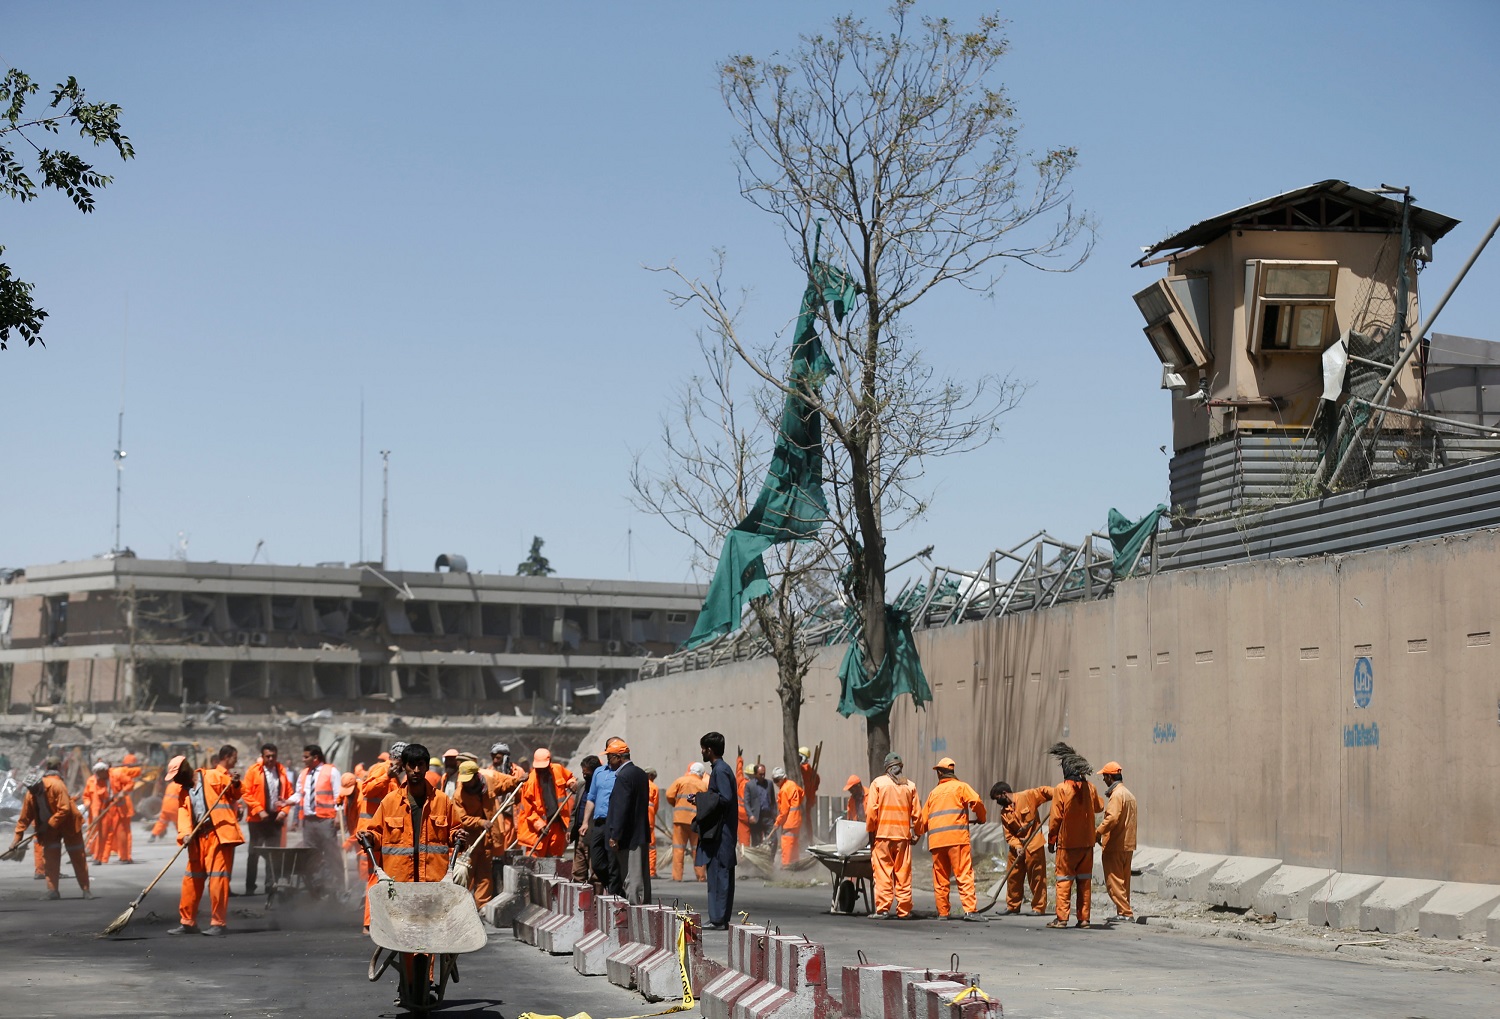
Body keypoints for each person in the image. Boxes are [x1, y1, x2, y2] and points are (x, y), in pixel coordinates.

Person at [360, 742, 465, 885]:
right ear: (404, 767)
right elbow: (377, 834)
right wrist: (369, 837)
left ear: (427, 767)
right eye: (411, 765)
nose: (416, 770)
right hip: (398, 882)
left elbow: (454, 831)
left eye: (421, 765)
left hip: (433, 881)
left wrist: (458, 836)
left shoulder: (442, 801)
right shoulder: (390, 802)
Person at [172, 746, 244, 936]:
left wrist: (236, 783)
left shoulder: (213, 776)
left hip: (218, 834)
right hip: (197, 839)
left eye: (176, 776)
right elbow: (183, 814)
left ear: (185, 771)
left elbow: (235, 793)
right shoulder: (183, 792)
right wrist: (185, 834)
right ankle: (187, 922)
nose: (175, 781)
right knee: (191, 879)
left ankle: (218, 923)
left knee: (217, 880)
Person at [8, 760, 92, 900]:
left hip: (69, 824)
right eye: (30, 790)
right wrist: (16, 839)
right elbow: (24, 818)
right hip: (50, 829)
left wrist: (49, 823)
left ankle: (85, 889)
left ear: (40, 783)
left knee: (77, 857)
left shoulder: (56, 786)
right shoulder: (31, 794)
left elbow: (64, 809)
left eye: (34, 789)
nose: (33, 792)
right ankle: (53, 890)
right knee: (50, 858)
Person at [1046, 742, 1104, 929]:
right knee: (1084, 881)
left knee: (1064, 881)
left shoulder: (1061, 789)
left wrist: (1051, 840)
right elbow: (1099, 807)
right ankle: (1084, 919)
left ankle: (1062, 919)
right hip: (1087, 844)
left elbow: (1055, 819)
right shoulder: (1091, 788)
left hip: (1067, 844)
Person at [922, 757, 987, 921]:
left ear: (939, 773)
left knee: (941, 878)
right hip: (957, 839)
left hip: (937, 842)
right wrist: (981, 818)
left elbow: (922, 821)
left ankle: (943, 912)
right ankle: (970, 910)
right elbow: (976, 801)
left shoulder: (933, 794)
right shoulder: (961, 787)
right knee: (963, 874)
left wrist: (917, 833)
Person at [865, 752, 920, 919]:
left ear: (887, 768)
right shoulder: (909, 786)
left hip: (882, 836)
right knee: (903, 874)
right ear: (900, 767)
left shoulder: (878, 783)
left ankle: (882, 909)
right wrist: (917, 832)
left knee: (883, 874)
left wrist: (871, 831)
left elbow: (871, 812)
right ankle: (904, 910)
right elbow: (917, 813)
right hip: (903, 838)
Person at [990, 780, 1053, 915]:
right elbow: (1009, 836)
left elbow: (1043, 791)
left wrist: (1059, 795)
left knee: (1037, 878)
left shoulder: (1027, 796)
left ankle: (1038, 907)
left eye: (998, 799)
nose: (998, 803)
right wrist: (1017, 846)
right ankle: (1013, 906)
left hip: (1034, 845)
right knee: (1013, 877)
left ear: (1004, 793)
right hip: (1016, 848)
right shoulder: (1004, 813)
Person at [695, 731, 737, 928]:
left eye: (703, 748)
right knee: (720, 874)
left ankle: (718, 918)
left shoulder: (720, 771)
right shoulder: (722, 769)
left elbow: (725, 798)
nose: (702, 752)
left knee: (719, 875)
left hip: (721, 833)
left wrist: (701, 799)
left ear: (709, 750)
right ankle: (719, 917)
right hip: (723, 831)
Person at [604, 737, 652, 904]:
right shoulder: (639, 773)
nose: (608, 761)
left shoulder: (624, 776)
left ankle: (636, 914)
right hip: (641, 833)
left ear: (618, 757)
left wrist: (615, 835)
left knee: (632, 879)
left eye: (609, 757)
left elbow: (621, 808)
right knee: (642, 877)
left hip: (629, 838)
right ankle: (645, 910)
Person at [242, 742, 293, 896]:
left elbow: (289, 794)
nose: (271, 759)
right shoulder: (253, 771)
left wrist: (284, 811)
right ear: (262, 756)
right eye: (267, 756)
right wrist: (259, 810)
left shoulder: (281, 771)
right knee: (254, 853)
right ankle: (250, 886)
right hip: (257, 819)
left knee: (273, 854)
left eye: (273, 756)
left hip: (275, 818)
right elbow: (246, 793)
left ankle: (270, 885)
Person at [295, 744, 345, 899]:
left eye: (306, 757)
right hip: (309, 822)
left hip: (325, 820)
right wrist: (286, 802)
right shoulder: (304, 774)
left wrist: (338, 816)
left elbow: (339, 795)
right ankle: (316, 887)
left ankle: (337, 885)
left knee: (331, 853)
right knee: (311, 855)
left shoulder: (331, 772)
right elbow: (298, 794)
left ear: (315, 758)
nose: (303, 760)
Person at [1095, 762, 1137, 921]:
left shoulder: (1117, 795)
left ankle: (1126, 913)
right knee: (1123, 882)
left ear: (1109, 776)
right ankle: (1123, 912)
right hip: (1127, 844)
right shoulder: (1128, 794)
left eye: (1104, 777)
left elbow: (1112, 818)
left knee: (1114, 882)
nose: (1103, 780)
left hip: (1115, 845)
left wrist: (1098, 832)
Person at [453, 760, 498, 907]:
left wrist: (517, 780)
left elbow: (503, 784)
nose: (465, 783)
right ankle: (463, 906)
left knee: (485, 876)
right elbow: (462, 819)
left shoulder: (488, 784)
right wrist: (480, 822)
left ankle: (482, 907)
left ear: (476, 776)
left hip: (486, 839)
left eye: (468, 780)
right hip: (470, 841)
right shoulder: (459, 795)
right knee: (467, 874)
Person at [517, 748, 573, 857]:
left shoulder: (558, 769)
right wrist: (539, 825)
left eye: (544, 767)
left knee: (555, 859)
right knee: (534, 861)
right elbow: (528, 810)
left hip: (557, 824)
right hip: (538, 830)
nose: (541, 770)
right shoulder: (530, 782)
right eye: (539, 768)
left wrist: (571, 783)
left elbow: (570, 778)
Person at [665, 761, 707, 881]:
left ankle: (677, 877)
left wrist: (676, 804)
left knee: (678, 849)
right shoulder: (703, 785)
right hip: (696, 821)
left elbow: (669, 794)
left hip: (680, 819)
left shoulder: (680, 780)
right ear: (701, 774)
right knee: (697, 849)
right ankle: (701, 876)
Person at [572, 755, 608, 889]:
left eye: (587, 773)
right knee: (578, 872)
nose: (584, 775)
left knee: (596, 873)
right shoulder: (582, 786)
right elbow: (574, 811)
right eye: (583, 773)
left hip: (594, 836)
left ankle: (595, 903)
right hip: (581, 837)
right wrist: (571, 830)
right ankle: (579, 902)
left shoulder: (602, 789)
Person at [83, 761, 118, 864]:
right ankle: (90, 851)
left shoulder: (110, 779)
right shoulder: (92, 781)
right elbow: (87, 796)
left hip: (107, 811)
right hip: (95, 811)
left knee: (104, 834)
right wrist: (87, 803)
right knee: (93, 832)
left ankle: (99, 857)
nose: (97, 775)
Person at [110, 753, 142, 863]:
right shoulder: (107, 777)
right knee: (118, 832)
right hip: (116, 808)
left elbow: (134, 775)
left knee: (124, 832)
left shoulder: (118, 773)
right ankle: (120, 854)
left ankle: (125, 856)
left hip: (123, 807)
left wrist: (122, 792)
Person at [771, 766, 804, 866]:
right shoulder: (792, 784)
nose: (776, 783)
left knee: (787, 846)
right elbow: (802, 793)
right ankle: (794, 865)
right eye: (774, 780)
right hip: (796, 821)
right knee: (794, 845)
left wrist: (777, 823)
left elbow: (784, 812)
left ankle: (786, 867)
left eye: (776, 780)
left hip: (788, 823)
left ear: (782, 778)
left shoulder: (784, 790)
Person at [797, 746, 820, 840]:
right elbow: (817, 784)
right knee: (807, 821)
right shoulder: (812, 772)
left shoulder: (803, 770)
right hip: (809, 800)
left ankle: (805, 840)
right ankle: (809, 839)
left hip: (803, 800)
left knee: (802, 822)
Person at [645, 767, 661, 876]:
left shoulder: (637, 785)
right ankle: (651, 871)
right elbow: (655, 806)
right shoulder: (654, 787)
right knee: (651, 847)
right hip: (649, 820)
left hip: (637, 821)